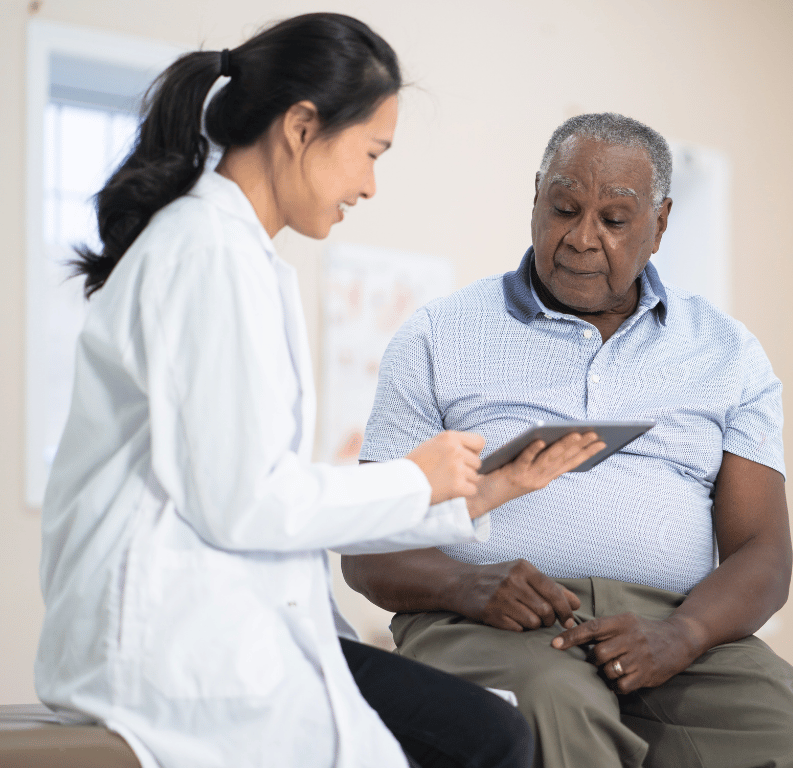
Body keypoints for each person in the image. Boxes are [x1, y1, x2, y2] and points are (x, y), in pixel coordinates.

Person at [34, 14, 608, 768]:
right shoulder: (207, 257)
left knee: (486, 731)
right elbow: (245, 502)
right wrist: (417, 478)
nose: (369, 185)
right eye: (370, 153)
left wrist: (483, 491)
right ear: (301, 127)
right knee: (487, 737)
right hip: (169, 641)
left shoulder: (235, 255)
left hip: (222, 624)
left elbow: (259, 496)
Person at [342, 113, 793, 768]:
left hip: (672, 625)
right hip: (485, 619)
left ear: (660, 224)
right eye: (563, 209)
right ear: (535, 199)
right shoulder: (438, 335)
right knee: (556, 704)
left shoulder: (728, 353)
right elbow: (370, 547)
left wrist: (683, 634)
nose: (582, 238)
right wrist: (468, 586)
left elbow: (763, 552)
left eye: (613, 220)